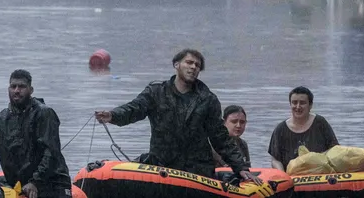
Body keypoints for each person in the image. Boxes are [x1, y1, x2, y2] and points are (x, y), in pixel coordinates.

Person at [95, 49, 257, 184]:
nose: (193, 67)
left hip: (196, 170)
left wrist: (240, 168)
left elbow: (220, 138)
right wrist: (112, 116)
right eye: (189, 62)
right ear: (176, 64)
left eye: (197, 65)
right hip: (162, 165)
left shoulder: (208, 100)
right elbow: (133, 109)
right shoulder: (156, 92)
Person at [0, 69, 72, 198]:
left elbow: (51, 152)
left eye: (22, 87)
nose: (17, 90)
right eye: (13, 86)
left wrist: (35, 181)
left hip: (52, 184)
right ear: (8, 89)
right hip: (19, 186)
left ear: (31, 90)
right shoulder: (0, 120)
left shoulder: (44, 114)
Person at [267, 86, 338, 171]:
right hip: (292, 177)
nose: (298, 106)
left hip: (321, 175)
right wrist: (283, 176)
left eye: (302, 103)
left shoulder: (320, 123)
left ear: (310, 105)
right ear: (290, 104)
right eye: (294, 102)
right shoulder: (280, 129)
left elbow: (335, 149)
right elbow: (275, 160)